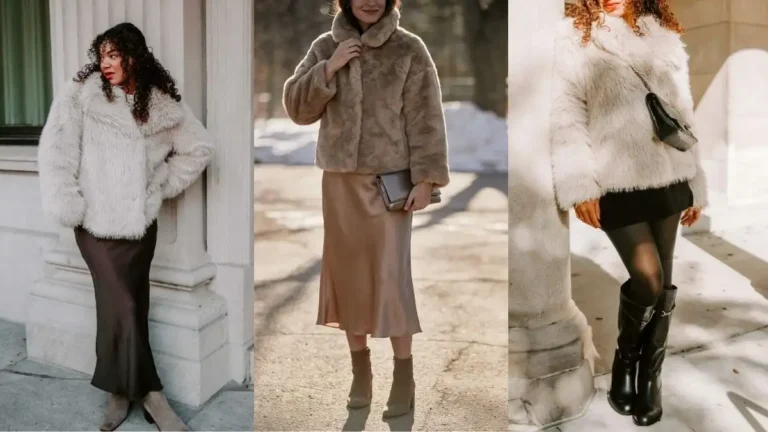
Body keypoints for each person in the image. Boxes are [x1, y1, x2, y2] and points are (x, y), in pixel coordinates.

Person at [38, 22, 215, 431]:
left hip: (138, 228)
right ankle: (152, 395)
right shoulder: (82, 95)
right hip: (94, 225)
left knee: (125, 309)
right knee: (126, 306)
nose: (106, 63)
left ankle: (119, 393)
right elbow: (56, 151)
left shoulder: (162, 103)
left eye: (114, 54)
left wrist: (158, 186)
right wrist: (70, 204)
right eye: (101, 55)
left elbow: (199, 148)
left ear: (135, 55)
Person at [282, 0, 449, 418]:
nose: (370, 1)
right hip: (339, 186)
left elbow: (427, 118)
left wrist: (427, 179)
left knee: (391, 280)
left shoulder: (410, 49)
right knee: (350, 280)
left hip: (387, 186)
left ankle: (404, 375)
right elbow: (297, 109)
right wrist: (329, 68)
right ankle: (361, 373)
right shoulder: (325, 46)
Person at [551, 0, 708, 427]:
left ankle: (649, 379)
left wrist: (696, 182)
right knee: (649, 278)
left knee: (664, 282)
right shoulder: (574, 38)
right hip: (615, 179)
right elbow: (566, 114)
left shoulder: (662, 33)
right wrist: (579, 182)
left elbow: (683, 112)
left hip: (670, 176)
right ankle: (626, 360)